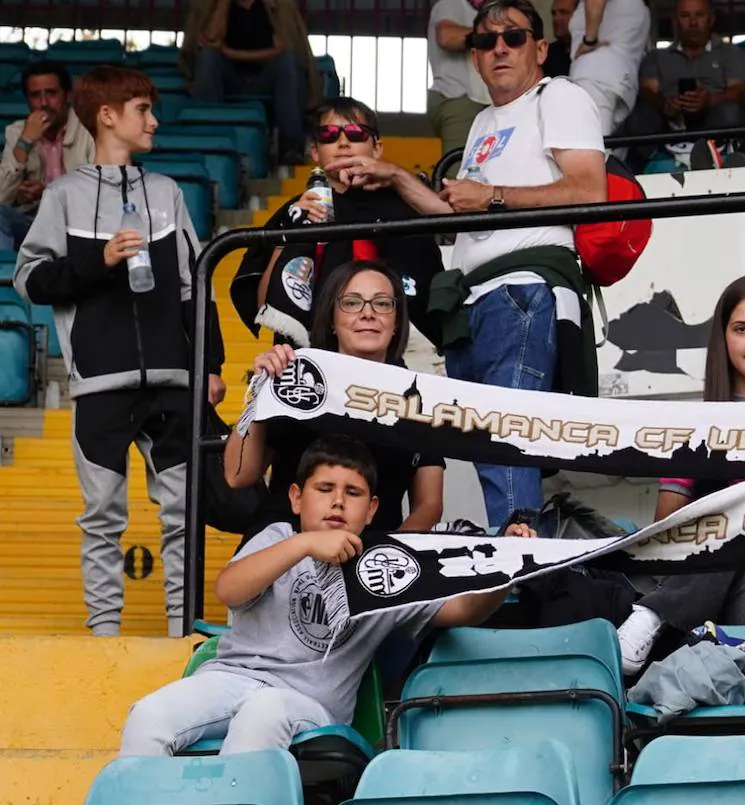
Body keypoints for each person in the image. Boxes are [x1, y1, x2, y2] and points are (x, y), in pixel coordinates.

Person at [323, 0, 608, 529]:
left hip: (521, 288)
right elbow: (458, 213)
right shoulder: (481, 121)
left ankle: (523, 563)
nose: (498, 48)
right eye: (485, 41)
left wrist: (493, 195)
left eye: (513, 38)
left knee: (505, 435)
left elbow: (591, 190)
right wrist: (396, 178)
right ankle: (519, 558)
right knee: (488, 444)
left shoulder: (560, 95)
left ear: (541, 49)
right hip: (473, 299)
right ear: (473, 58)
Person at [120, 435, 536, 756]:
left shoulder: (387, 565)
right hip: (230, 678)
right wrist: (304, 545)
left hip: (307, 702)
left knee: (263, 713)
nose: (338, 501)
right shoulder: (279, 536)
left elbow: (462, 608)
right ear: (296, 498)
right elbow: (228, 589)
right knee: (148, 715)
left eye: (352, 493)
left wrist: (505, 569)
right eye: (324, 488)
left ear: (371, 510)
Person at [15, 66, 227, 638]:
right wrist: (98, 261)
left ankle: (183, 633)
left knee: (184, 515)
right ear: (108, 116)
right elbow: (30, 280)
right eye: (142, 110)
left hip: (171, 383)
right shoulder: (62, 196)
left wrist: (209, 366)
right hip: (99, 386)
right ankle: (101, 641)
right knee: (103, 518)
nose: (154, 121)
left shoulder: (167, 192)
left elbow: (195, 284)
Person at [617, 275, 745, 674]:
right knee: (739, 526)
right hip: (709, 574)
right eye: (741, 329)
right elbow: (666, 531)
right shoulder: (695, 424)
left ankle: (655, 617)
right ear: (723, 339)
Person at [226, 260, 445, 536]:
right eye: (352, 303)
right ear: (331, 319)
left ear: (397, 320)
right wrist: (262, 390)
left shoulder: (421, 396)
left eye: (382, 303)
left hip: (372, 558)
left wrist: (384, 560)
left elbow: (429, 504)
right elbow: (237, 475)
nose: (368, 313)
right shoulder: (297, 377)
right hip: (286, 557)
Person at [229, 98, 444, 347]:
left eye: (356, 133)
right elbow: (265, 302)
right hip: (306, 359)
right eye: (329, 135)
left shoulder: (400, 209)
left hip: (377, 357)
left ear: (377, 148)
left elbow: (427, 292)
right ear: (315, 152)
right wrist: (290, 233)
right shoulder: (293, 212)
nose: (342, 142)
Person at [181, 0, 318, 164]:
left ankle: (291, 148)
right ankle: (206, 139)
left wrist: (229, 52)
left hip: (267, 77)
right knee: (208, 58)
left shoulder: (280, 6)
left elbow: (284, 50)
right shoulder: (209, 5)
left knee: (287, 63)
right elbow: (211, 40)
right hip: (227, 78)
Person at [0, 62, 94, 252]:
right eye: (35, 95)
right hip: (31, 224)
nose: (43, 103)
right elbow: (2, 196)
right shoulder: (17, 132)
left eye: (51, 93)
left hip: (78, 226)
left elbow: (98, 193)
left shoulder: (89, 129)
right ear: (27, 100)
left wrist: (49, 194)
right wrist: (25, 141)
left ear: (67, 96)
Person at [627, 0, 745, 142]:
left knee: (730, 111)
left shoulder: (731, 53)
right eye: (685, 16)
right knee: (640, 114)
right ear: (675, 20)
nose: (693, 22)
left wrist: (709, 100)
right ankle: (651, 161)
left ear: (711, 18)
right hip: (669, 124)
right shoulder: (657, 56)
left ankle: (722, 155)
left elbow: (741, 92)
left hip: (715, 122)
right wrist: (664, 104)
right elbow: (646, 91)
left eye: (700, 15)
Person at [568, 0, 650, 135]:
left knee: (593, 149)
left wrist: (589, 41)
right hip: (618, 83)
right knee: (604, 149)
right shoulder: (637, 7)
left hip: (595, 77)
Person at [428, 0, 493, 161]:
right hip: (459, 98)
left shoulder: (487, 9)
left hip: (481, 102)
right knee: (458, 172)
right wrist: (490, 34)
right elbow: (446, 37)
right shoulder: (451, 4)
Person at [546, 0, 575, 77]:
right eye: (554, 13)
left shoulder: (594, 53)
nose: (556, 18)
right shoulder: (546, 54)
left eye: (563, 12)